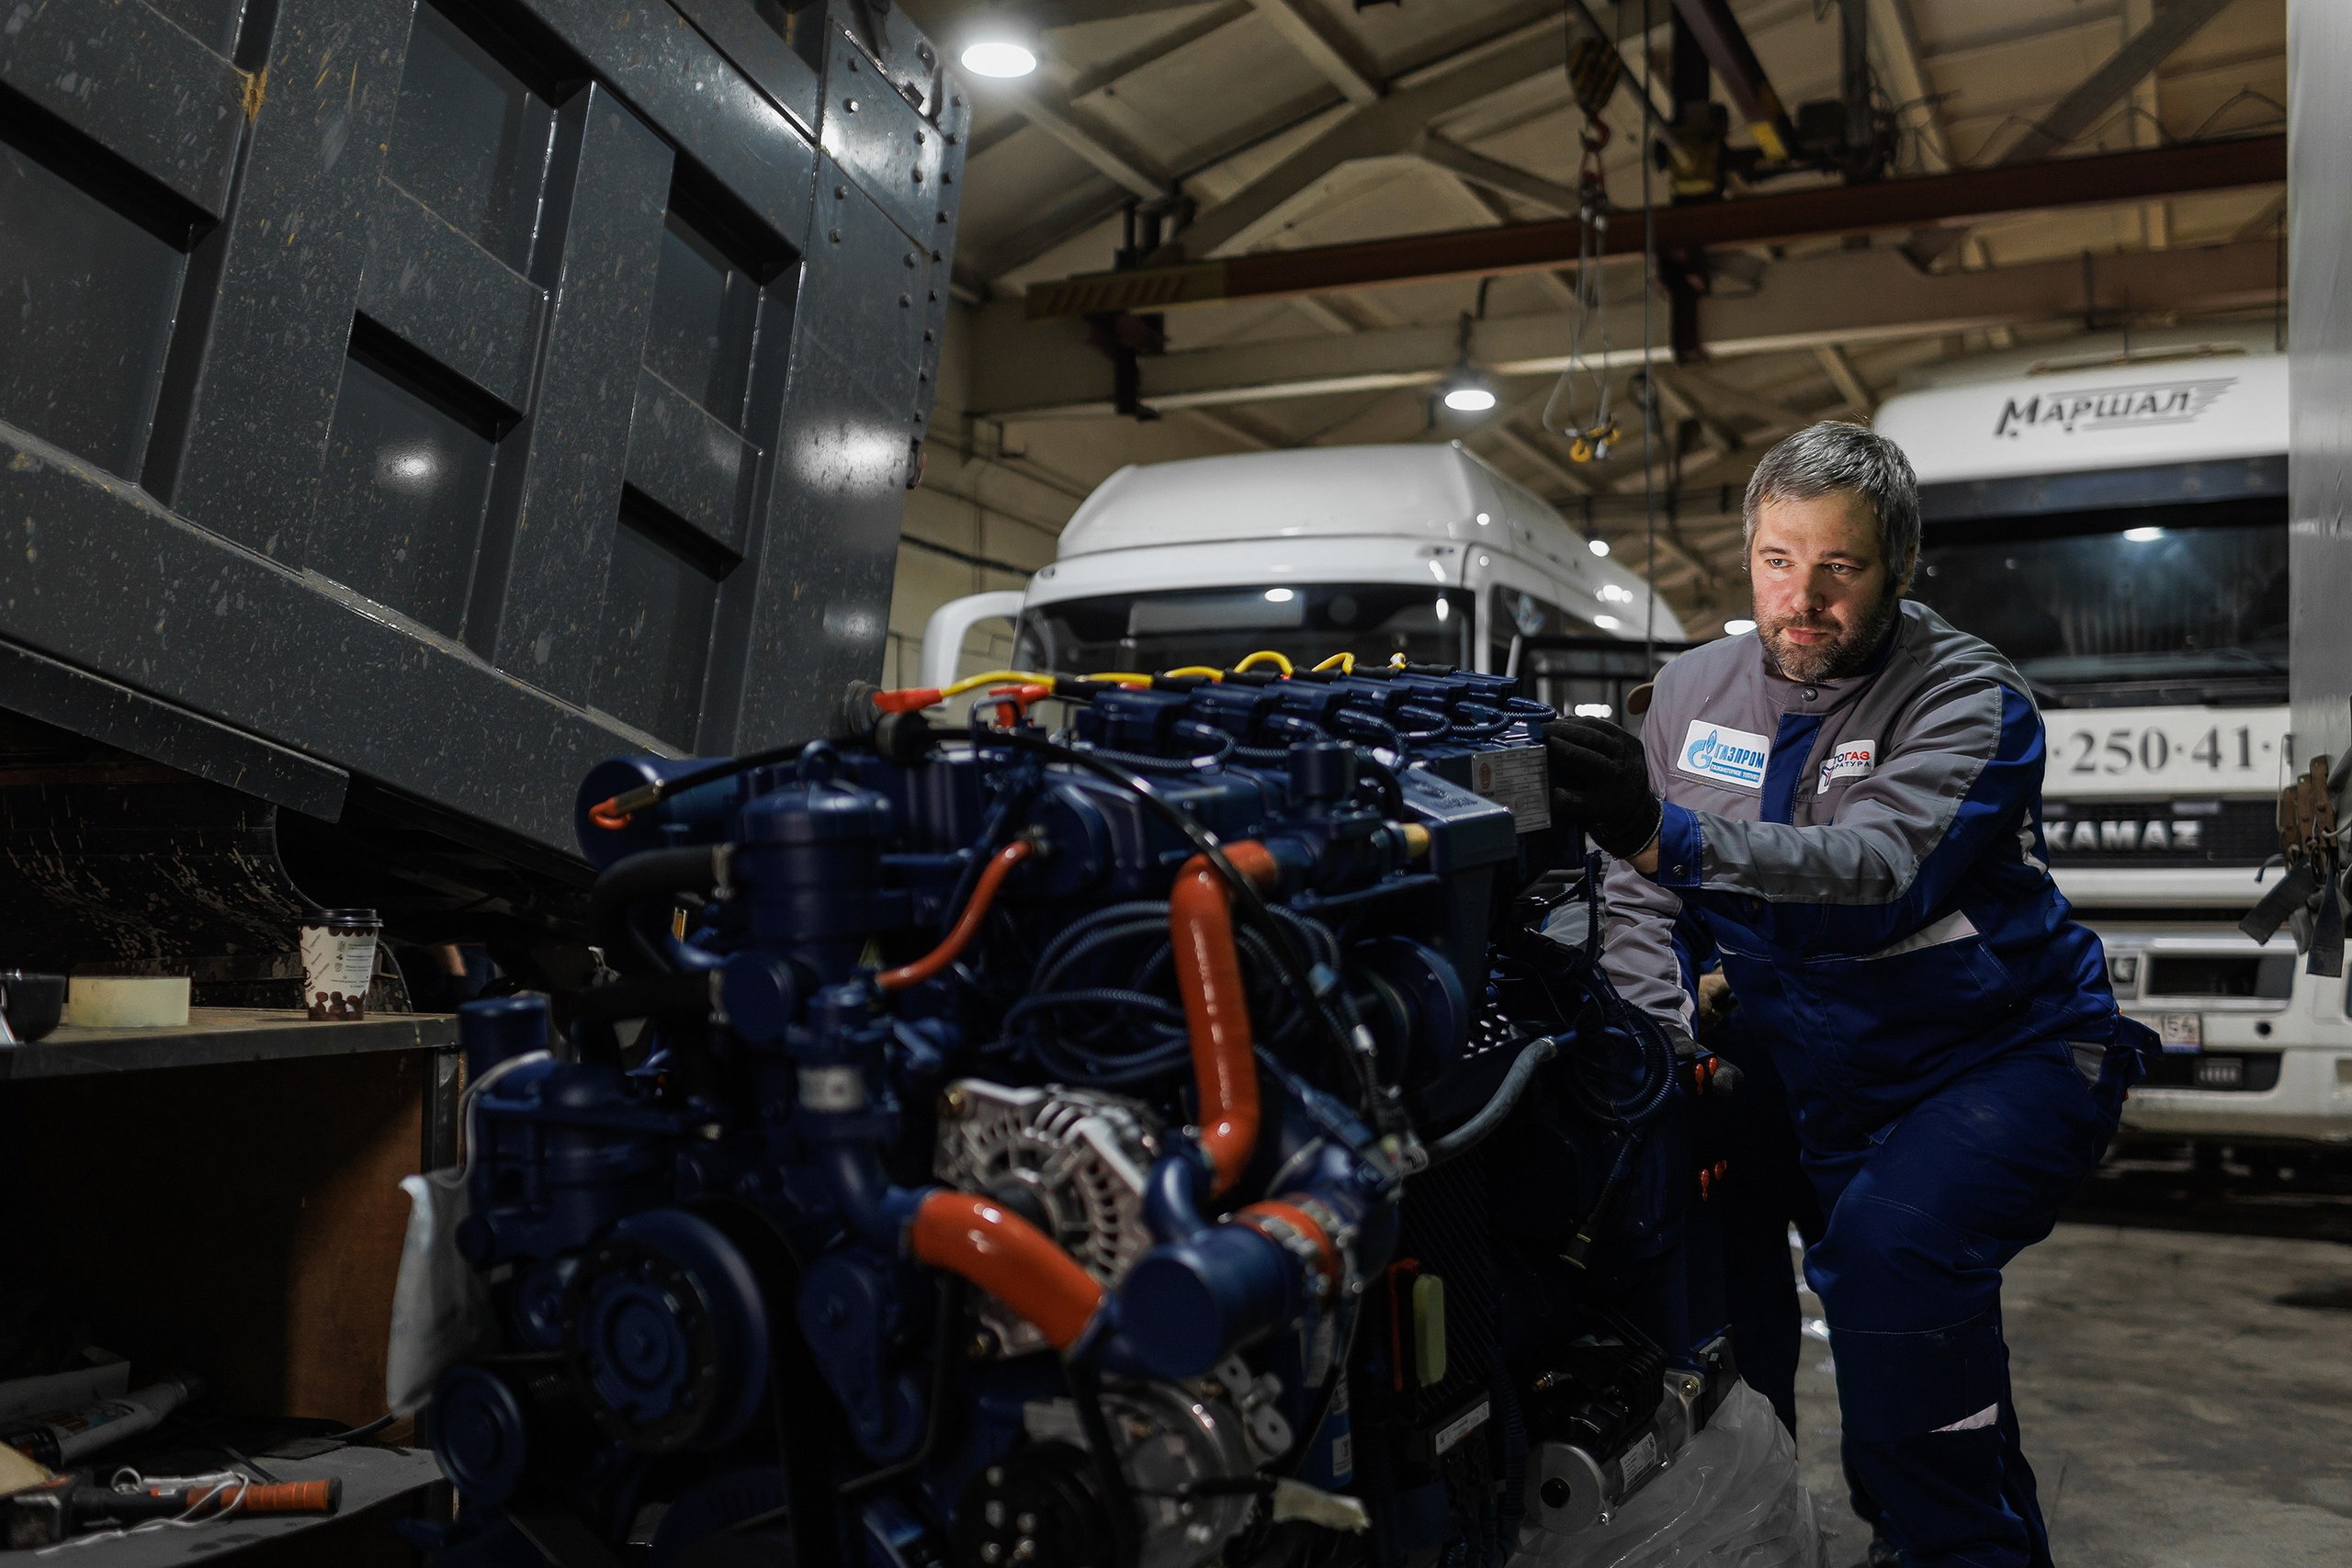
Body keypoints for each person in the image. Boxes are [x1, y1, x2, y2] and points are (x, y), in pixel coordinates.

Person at [1543, 422, 2152, 1568]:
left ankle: (1947, 1552)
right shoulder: (1689, 691)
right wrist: (1667, 1052)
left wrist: (1655, 832)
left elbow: (1878, 876)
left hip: (2000, 1059)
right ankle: (1801, 1522)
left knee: (1891, 1261)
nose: (1802, 598)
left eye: (1840, 567)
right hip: (1816, 1066)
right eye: (1778, 560)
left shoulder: (1970, 698)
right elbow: (1635, 907)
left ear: (1900, 569)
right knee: (1865, 1331)